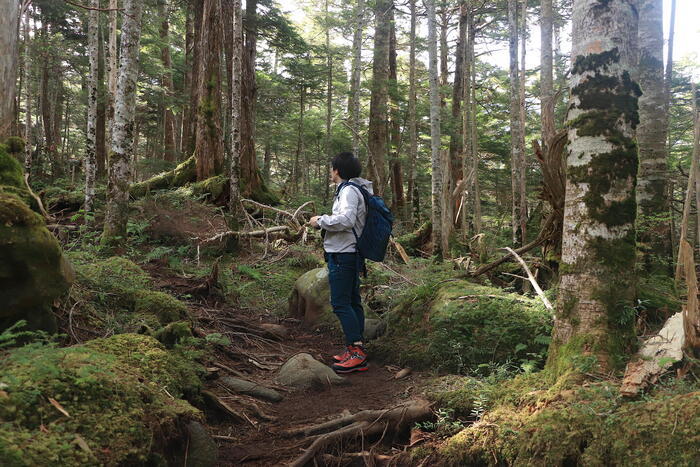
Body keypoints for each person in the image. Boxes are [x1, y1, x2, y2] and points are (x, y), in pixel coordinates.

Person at [309, 152, 371, 374]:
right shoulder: (352, 190)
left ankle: (357, 353)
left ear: (337, 170)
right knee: (353, 301)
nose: (330, 171)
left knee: (341, 303)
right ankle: (355, 347)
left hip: (344, 255)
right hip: (349, 253)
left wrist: (320, 221)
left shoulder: (349, 192)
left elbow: (346, 220)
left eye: (331, 167)